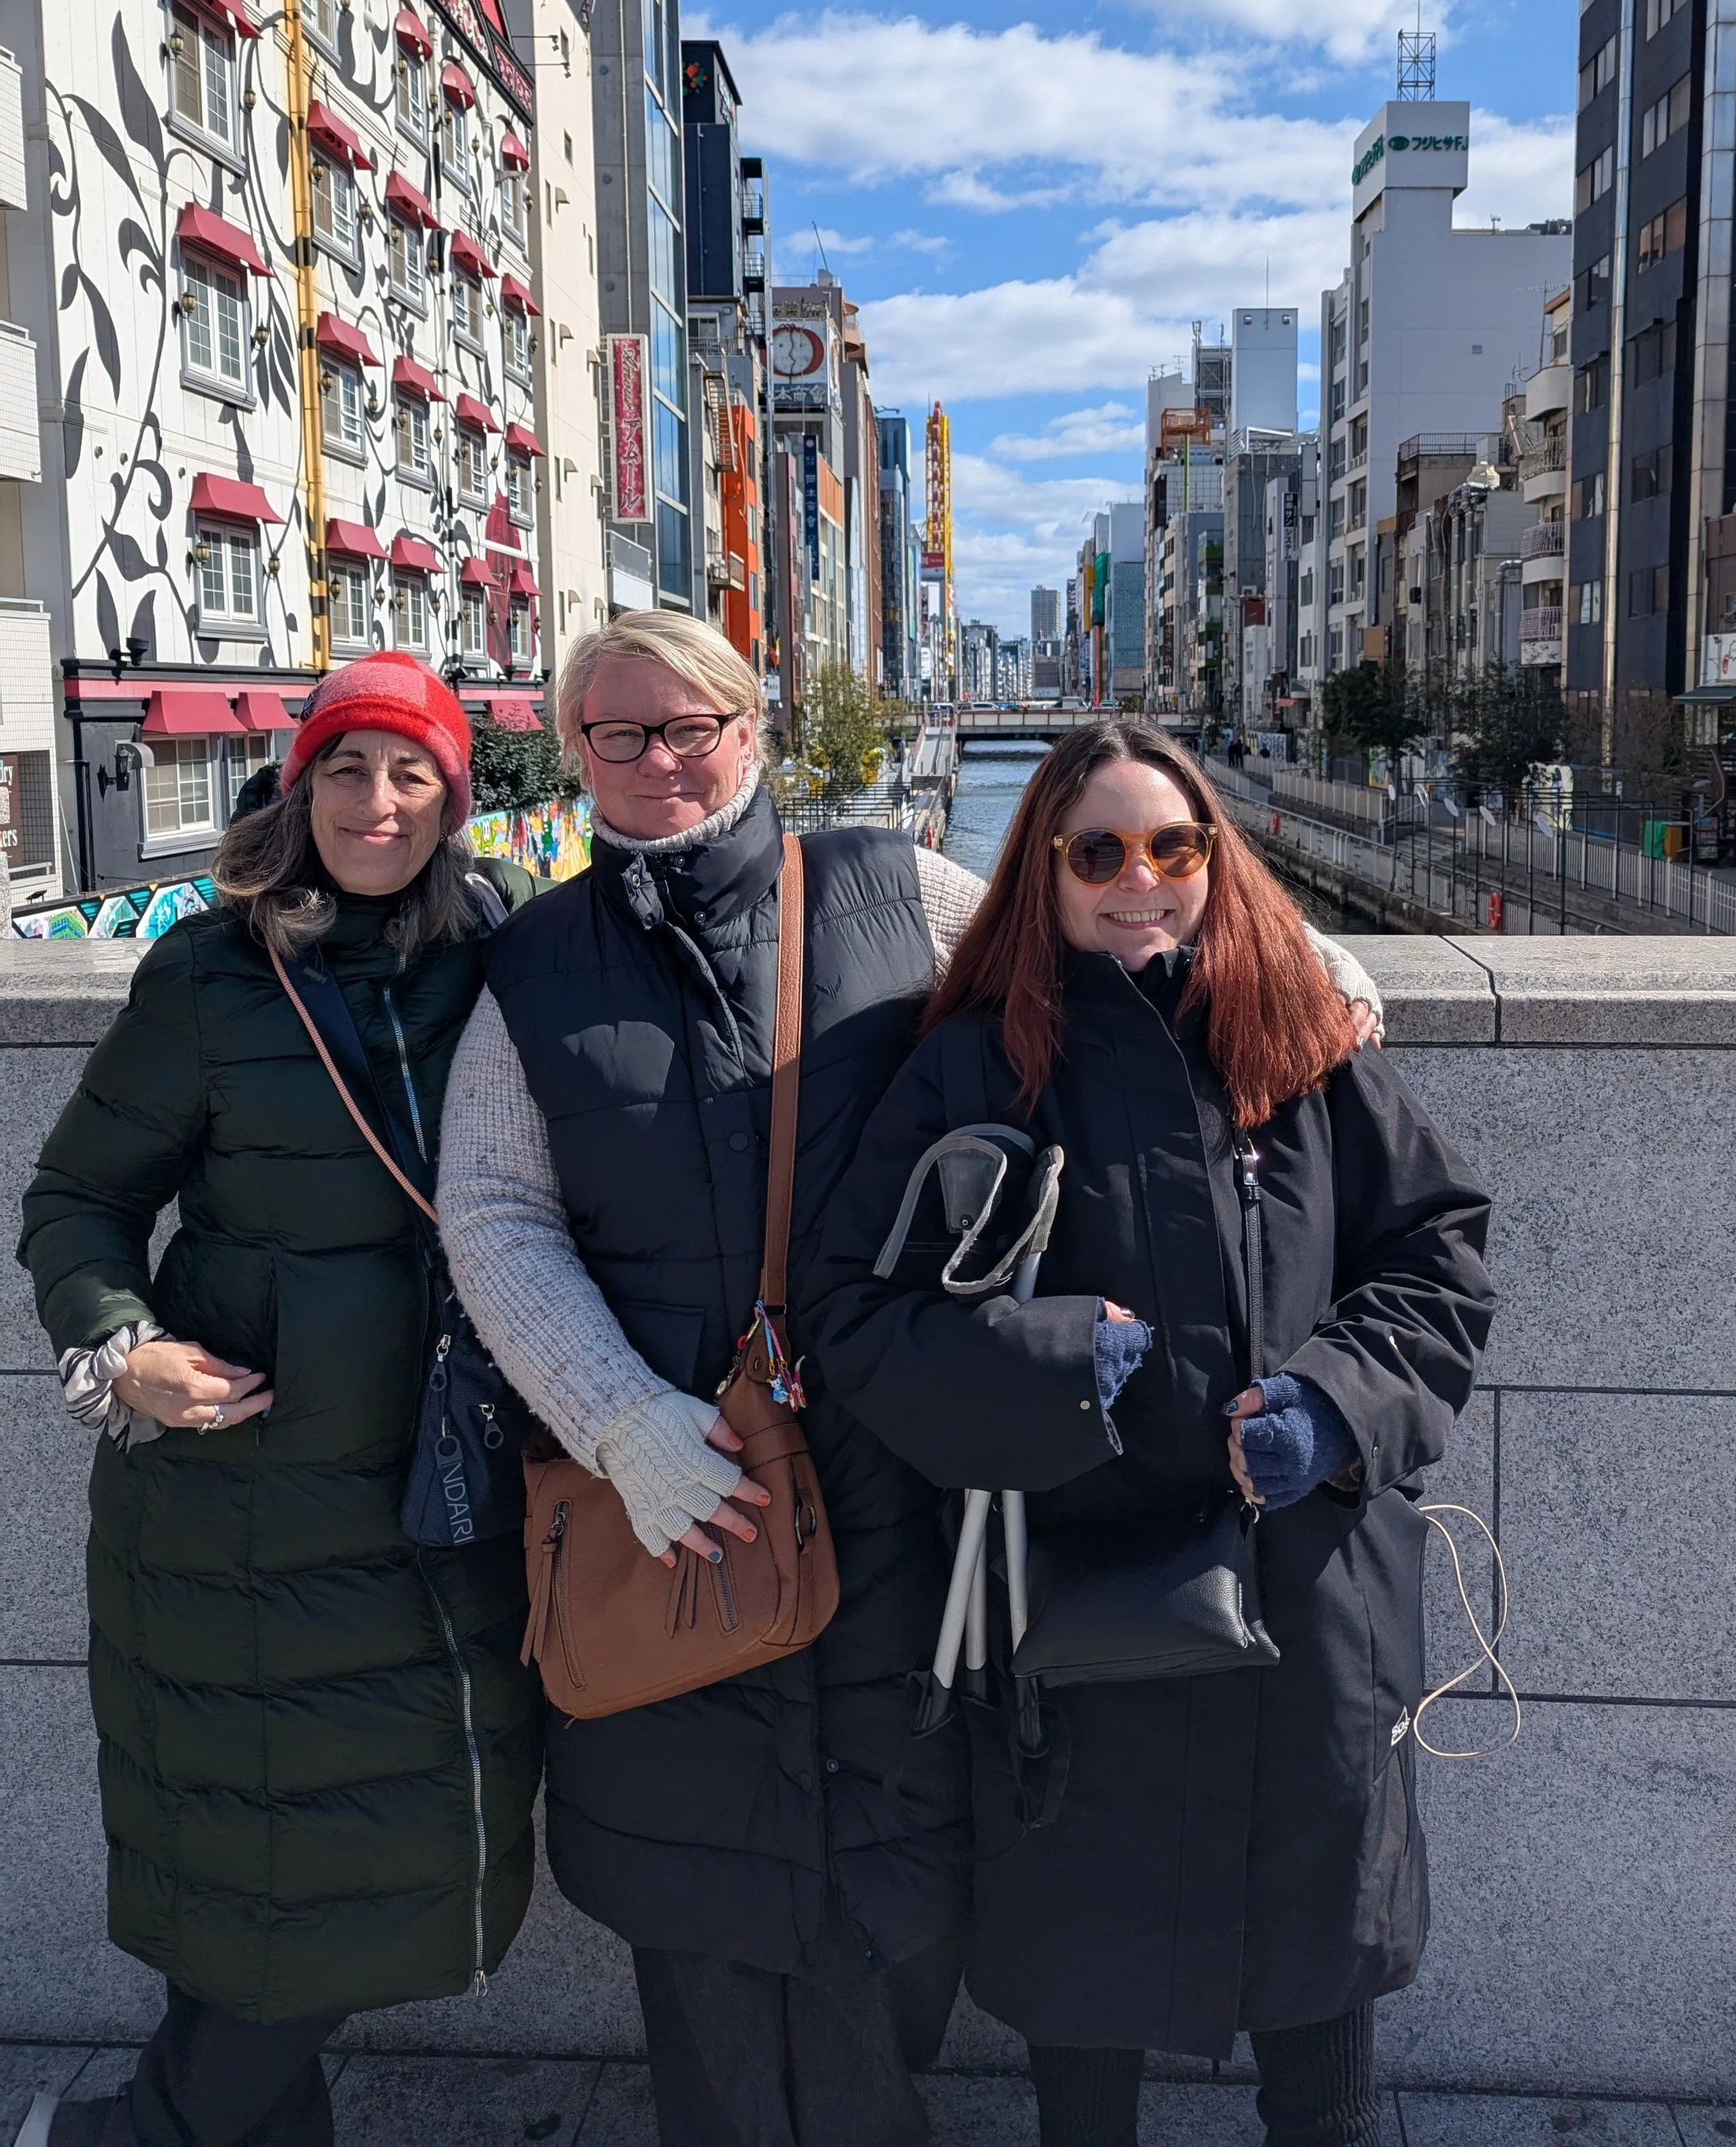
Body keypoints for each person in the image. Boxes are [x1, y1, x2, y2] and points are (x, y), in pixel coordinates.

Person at [434, 618, 1386, 2147]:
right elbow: (493, 1211)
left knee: (901, 1886)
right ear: (575, 754)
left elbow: (1104, 932)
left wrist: (1314, 979)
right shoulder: (532, 967)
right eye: (618, 736)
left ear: (753, 728)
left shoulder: (887, 887)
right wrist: (615, 1417)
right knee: (707, 1922)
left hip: (899, 1481)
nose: (659, 761)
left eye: (691, 727)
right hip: (683, 1497)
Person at [794, 718, 1495, 2147]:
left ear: (1214, 859)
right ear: (1042, 871)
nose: (1140, 880)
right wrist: (1058, 1369)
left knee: (1324, 1992)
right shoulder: (973, 1064)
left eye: (1175, 846)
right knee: (1083, 2000)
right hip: (1072, 1616)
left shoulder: (1299, 1035)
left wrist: (1334, 1401)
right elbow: (851, 1317)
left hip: (1309, 1603)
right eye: (1097, 850)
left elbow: (1436, 1256)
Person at [15, 654, 542, 2147]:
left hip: (441, 1490)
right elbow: (74, 1200)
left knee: (324, 1877)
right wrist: (122, 1349)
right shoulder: (211, 971)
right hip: (239, 1503)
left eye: (411, 774)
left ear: (456, 795)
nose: (375, 804)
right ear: (297, 787)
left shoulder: (509, 950)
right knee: (283, 1884)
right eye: (344, 771)